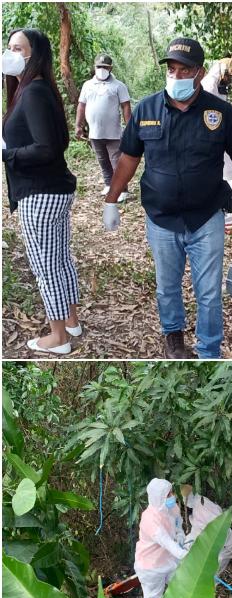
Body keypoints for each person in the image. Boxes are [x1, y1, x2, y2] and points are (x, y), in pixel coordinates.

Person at [102, 38, 232, 359]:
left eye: (183, 70)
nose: (175, 76)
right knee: (167, 287)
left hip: (206, 218)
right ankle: (173, 338)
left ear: (199, 73)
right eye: (171, 69)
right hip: (161, 219)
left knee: (210, 294)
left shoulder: (221, 113)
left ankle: (208, 351)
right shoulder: (146, 110)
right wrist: (111, 200)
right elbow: (128, 159)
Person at [2, 28, 81, 354]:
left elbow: (47, 148)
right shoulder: (35, 89)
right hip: (54, 190)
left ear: (35, 54)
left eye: (18, 48)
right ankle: (72, 321)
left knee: (46, 268)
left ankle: (58, 337)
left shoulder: (33, 92)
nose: (10, 54)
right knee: (60, 260)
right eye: (8, 47)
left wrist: (8, 154)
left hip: (40, 194)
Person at [75, 53, 131, 200]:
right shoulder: (87, 85)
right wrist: (78, 126)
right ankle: (108, 184)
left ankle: (123, 190)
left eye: (105, 67)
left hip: (113, 132)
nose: (101, 69)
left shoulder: (119, 86)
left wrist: (129, 126)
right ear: (94, 67)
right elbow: (81, 106)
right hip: (95, 132)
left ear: (110, 68)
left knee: (117, 162)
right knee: (102, 160)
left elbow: (125, 106)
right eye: (99, 66)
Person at [134, 478, 188, 598]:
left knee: (181, 587)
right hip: (150, 566)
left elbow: (178, 522)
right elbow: (167, 543)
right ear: (159, 497)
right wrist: (188, 555)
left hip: (169, 560)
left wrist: (180, 534)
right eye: (168, 494)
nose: (172, 496)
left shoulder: (171, 508)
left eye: (171, 492)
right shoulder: (149, 519)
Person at [180, 485, 232, 574]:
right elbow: (198, 529)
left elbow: (216, 529)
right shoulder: (199, 503)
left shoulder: (202, 507)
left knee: (207, 575)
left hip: (221, 548)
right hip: (216, 544)